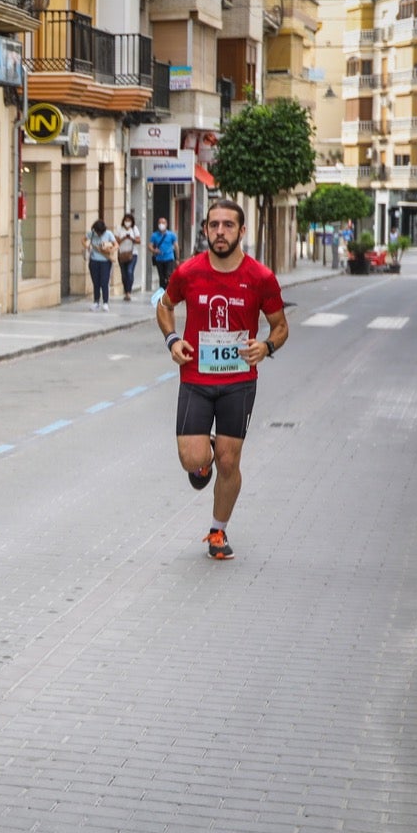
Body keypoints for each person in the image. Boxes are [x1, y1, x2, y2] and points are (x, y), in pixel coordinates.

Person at [155, 198, 289, 561]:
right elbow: (164, 306)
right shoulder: (188, 272)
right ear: (205, 230)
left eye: (228, 225)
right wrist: (172, 339)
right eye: (213, 225)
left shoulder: (260, 278)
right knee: (191, 461)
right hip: (196, 379)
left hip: (239, 382)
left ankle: (218, 530)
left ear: (241, 231)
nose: (220, 232)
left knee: (229, 463)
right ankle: (205, 450)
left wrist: (266, 346)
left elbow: (280, 326)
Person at [83, 219, 117, 311]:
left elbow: (116, 244)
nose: (99, 234)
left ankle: (105, 302)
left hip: (105, 261)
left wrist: (111, 250)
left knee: (104, 282)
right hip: (94, 261)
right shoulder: (92, 234)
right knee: (96, 282)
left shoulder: (108, 234)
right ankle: (96, 302)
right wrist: (87, 246)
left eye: (100, 233)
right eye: (97, 232)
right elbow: (83, 239)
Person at [117, 212, 142, 301]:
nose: (127, 222)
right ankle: (125, 289)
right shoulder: (119, 229)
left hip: (133, 254)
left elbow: (139, 240)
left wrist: (131, 238)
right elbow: (116, 241)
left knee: (129, 271)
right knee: (124, 274)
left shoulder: (134, 229)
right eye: (126, 220)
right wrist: (124, 238)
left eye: (129, 220)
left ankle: (129, 292)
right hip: (122, 254)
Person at [149, 215, 178, 290]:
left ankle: (168, 291)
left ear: (166, 224)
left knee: (168, 275)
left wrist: (177, 258)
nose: (161, 224)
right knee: (161, 277)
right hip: (159, 259)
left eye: (163, 222)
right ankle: (162, 291)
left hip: (169, 258)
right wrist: (154, 250)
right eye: (160, 222)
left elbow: (176, 246)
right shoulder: (154, 235)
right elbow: (150, 245)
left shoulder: (171, 235)